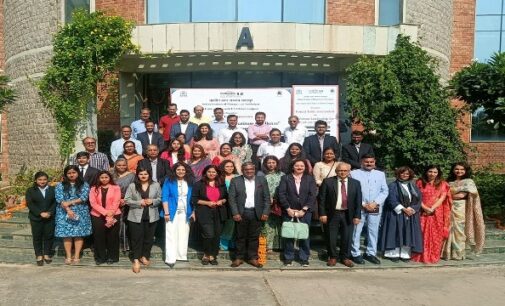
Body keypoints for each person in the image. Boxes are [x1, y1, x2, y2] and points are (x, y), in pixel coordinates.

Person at [318, 162, 362, 268]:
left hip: (348, 214)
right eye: (340, 170)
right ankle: (332, 257)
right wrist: (322, 214)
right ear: (336, 171)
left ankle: (345, 257)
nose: (342, 172)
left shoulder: (355, 183)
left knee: (347, 237)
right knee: (331, 236)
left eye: (345, 170)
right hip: (333, 213)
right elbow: (321, 199)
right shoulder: (328, 182)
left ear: (349, 171)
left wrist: (357, 216)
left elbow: (358, 201)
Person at [229, 162, 270, 268]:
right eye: (246, 169)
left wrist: (265, 212)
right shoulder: (235, 180)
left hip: (256, 212)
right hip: (241, 212)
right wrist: (235, 212)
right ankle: (239, 258)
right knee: (240, 236)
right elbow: (232, 199)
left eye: (251, 169)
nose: (249, 171)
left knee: (254, 237)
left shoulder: (261, 180)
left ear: (254, 169)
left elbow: (267, 198)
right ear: (242, 170)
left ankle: (253, 258)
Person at [349, 154, 388, 265]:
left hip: (375, 207)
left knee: (373, 231)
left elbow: (384, 191)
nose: (369, 164)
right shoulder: (353, 173)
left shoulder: (380, 174)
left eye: (371, 162)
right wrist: (363, 204)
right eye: (366, 162)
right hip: (359, 207)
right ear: (362, 161)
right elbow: (352, 191)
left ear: (375, 162)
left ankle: (371, 253)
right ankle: (355, 253)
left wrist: (375, 203)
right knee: (357, 231)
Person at [278, 159, 317, 267]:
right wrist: (288, 209)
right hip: (288, 211)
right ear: (292, 166)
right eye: (297, 165)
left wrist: (304, 209)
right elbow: (281, 194)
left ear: (305, 167)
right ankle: (288, 257)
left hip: (305, 212)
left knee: (303, 235)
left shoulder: (309, 179)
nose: (299, 167)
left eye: (302, 166)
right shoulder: (285, 178)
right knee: (289, 234)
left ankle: (304, 258)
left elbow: (312, 195)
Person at [379, 166, 423, 262]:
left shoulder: (413, 186)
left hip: (410, 213)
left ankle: (405, 254)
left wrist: (412, 209)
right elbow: (391, 199)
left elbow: (419, 199)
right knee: (395, 232)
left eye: (407, 174)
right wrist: (403, 209)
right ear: (398, 174)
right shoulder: (393, 186)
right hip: (396, 213)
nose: (404, 175)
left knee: (407, 233)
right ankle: (393, 253)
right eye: (402, 173)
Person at [442, 162, 485, 260]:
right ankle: (447, 253)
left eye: (462, 169)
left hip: (461, 207)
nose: (459, 171)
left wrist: (448, 195)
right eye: (457, 169)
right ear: (453, 170)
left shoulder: (469, 181)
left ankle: (458, 254)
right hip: (447, 207)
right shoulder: (448, 181)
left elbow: (461, 196)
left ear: (466, 171)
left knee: (459, 230)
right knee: (447, 229)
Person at [411, 165, 452, 264]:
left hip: (437, 213)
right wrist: (424, 207)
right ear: (426, 172)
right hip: (421, 211)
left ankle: (433, 255)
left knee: (436, 234)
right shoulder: (419, 182)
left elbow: (442, 197)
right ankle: (420, 255)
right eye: (430, 171)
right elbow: (415, 197)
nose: (432, 174)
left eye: (435, 172)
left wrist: (432, 208)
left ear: (438, 173)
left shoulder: (443, 184)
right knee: (421, 233)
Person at [125, 167, 162, 273]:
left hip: (151, 216)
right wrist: (138, 202)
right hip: (135, 216)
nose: (143, 176)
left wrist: (152, 201)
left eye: (145, 174)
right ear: (137, 175)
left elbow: (160, 198)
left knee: (149, 238)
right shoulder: (132, 186)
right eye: (141, 174)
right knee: (136, 239)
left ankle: (145, 256)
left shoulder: (156, 185)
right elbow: (127, 200)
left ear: (149, 174)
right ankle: (136, 259)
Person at [55, 165, 92, 265]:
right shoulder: (60, 185)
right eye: (69, 173)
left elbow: (84, 197)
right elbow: (59, 199)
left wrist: (69, 203)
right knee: (66, 235)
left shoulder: (84, 184)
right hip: (63, 212)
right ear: (66, 174)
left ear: (78, 173)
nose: (71, 175)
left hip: (80, 212)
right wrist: (68, 209)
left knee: (78, 234)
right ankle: (68, 255)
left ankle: (76, 255)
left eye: (73, 172)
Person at [191, 165, 228, 265]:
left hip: (219, 212)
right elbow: (194, 199)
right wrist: (207, 203)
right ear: (205, 173)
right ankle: (206, 254)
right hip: (204, 212)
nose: (211, 174)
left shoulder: (221, 184)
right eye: (209, 172)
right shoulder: (199, 184)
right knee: (208, 234)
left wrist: (222, 200)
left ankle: (213, 255)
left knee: (216, 235)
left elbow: (226, 197)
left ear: (217, 173)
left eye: (214, 172)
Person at [161, 162, 195, 268]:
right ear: (174, 171)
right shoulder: (169, 181)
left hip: (186, 211)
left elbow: (193, 198)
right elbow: (164, 197)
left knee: (184, 233)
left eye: (183, 170)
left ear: (186, 171)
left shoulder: (190, 182)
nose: (181, 172)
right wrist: (166, 212)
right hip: (171, 211)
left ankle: (181, 255)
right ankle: (170, 258)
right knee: (171, 233)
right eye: (178, 170)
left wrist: (193, 211)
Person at [89, 171, 122, 265]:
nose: (104, 179)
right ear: (99, 178)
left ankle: (112, 257)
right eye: (102, 177)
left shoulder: (116, 188)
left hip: (114, 213)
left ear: (110, 178)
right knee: (99, 236)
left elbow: (117, 201)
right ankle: (100, 257)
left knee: (112, 236)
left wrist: (111, 213)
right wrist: (105, 212)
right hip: (97, 215)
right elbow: (93, 203)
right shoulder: (94, 188)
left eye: (106, 177)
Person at [26, 171, 56, 266]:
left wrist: (49, 212)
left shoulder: (52, 189)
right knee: (37, 237)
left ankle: (47, 254)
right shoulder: (30, 190)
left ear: (47, 180)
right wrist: (40, 213)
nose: (42, 181)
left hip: (49, 217)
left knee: (49, 236)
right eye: (40, 179)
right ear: (35, 180)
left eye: (44, 179)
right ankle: (38, 255)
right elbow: (30, 203)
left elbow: (55, 202)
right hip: (36, 218)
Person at [110, 158, 135, 253]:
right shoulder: (111, 175)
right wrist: (117, 199)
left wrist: (125, 199)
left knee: (125, 224)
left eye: (124, 165)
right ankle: (114, 245)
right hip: (113, 202)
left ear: (127, 165)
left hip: (127, 202)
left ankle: (125, 245)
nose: (121, 167)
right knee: (114, 223)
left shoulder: (132, 175)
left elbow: (134, 188)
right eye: (119, 165)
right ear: (115, 165)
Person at [262, 156, 284, 251]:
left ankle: (280, 245)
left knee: (280, 223)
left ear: (277, 163)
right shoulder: (262, 175)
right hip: (267, 202)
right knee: (268, 224)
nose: (271, 164)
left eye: (273, 162)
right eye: (269, 163)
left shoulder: (282, 175)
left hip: (279, 202)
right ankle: (269, 246)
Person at [219, 160, 239, 251]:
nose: (230, 168)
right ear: (223, 167)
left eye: (231, 166)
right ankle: (223, 243)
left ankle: (233, 243)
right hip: (223, 203)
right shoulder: (220, 178)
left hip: (236, 204)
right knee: (225, 224)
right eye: (227, 166)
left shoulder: (238, 177)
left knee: (233, 224)